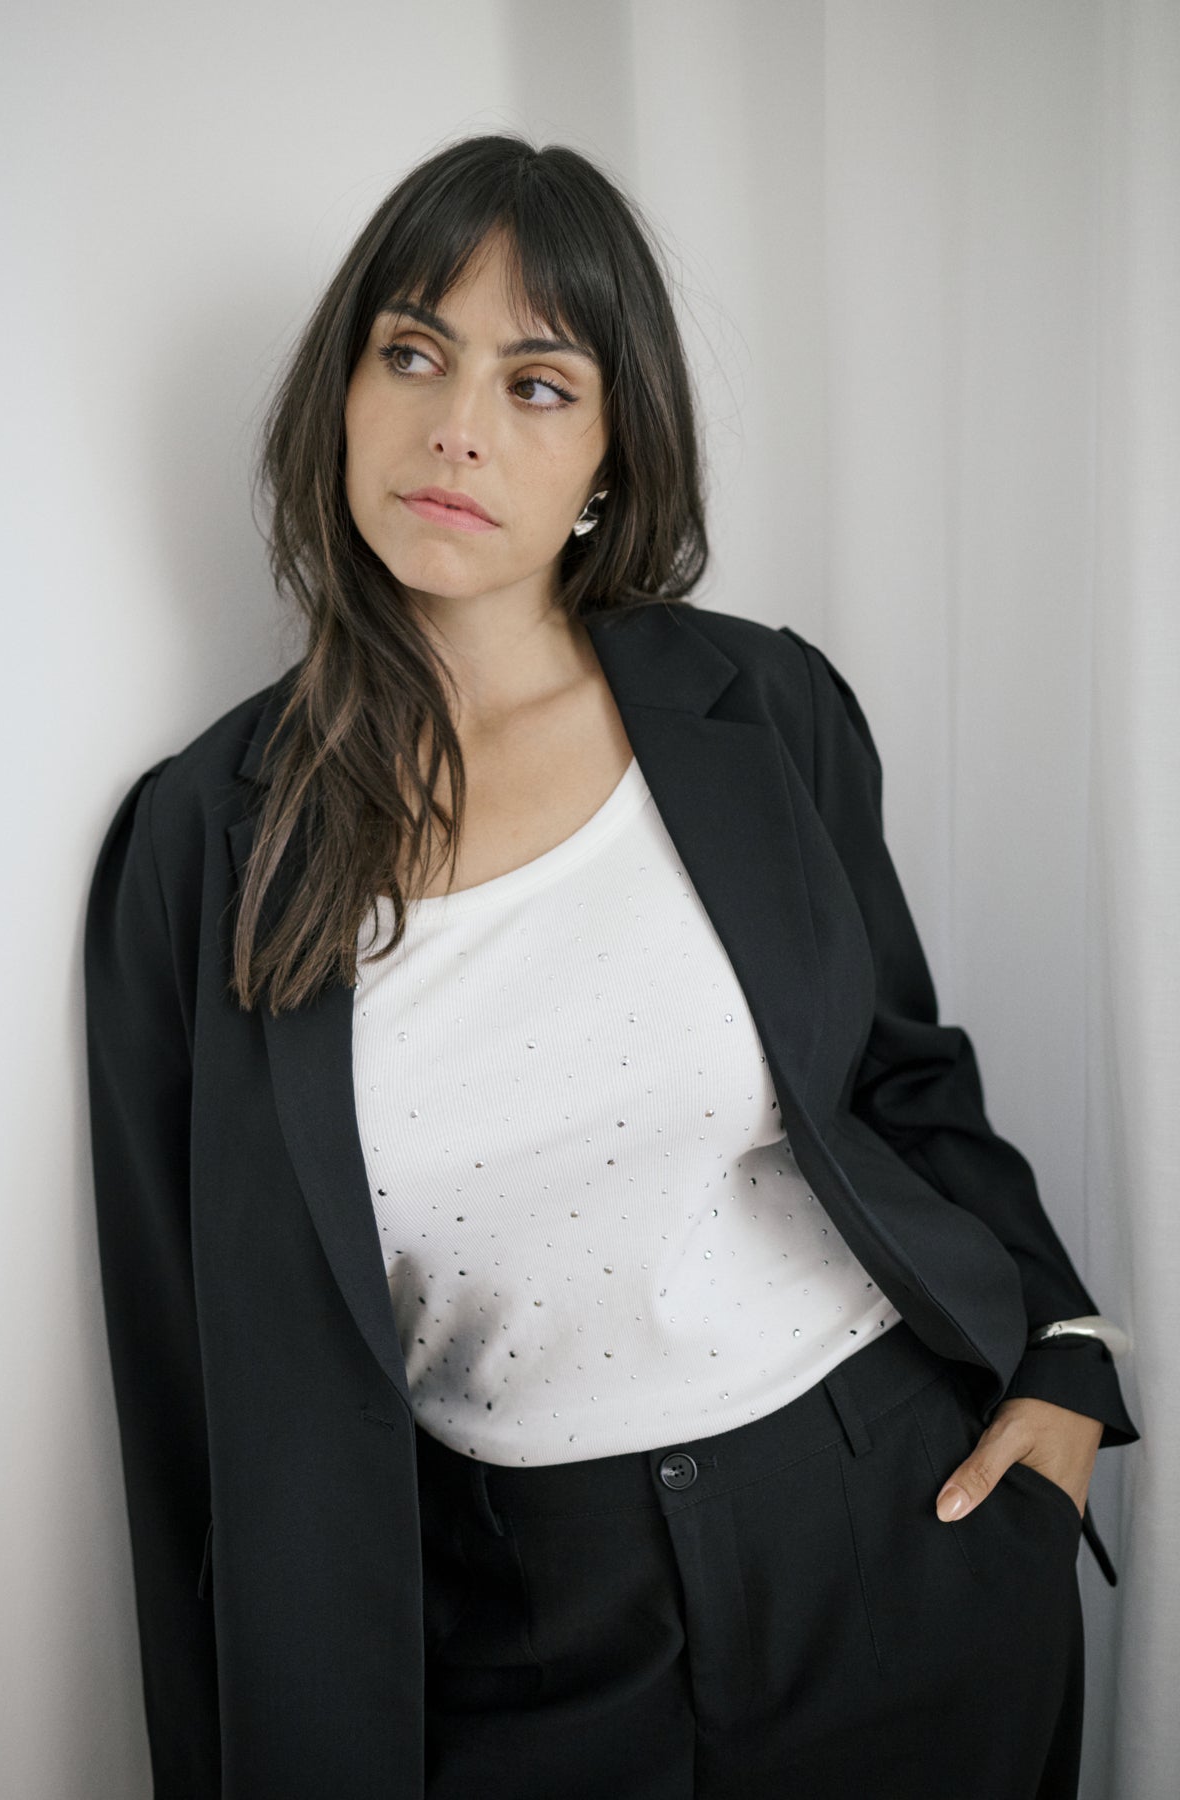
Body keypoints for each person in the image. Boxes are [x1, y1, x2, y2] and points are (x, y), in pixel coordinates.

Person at [83, 134, 1139, 1800]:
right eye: (413, 353)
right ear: (341, 395)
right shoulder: (203, 841)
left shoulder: (761, 710)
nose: (458, 426)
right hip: (510, 1629)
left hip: (891, 1539)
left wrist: (1067, 1358)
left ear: (609, 455)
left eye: (538, 383)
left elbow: (898, 1076)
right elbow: (185, 1389)